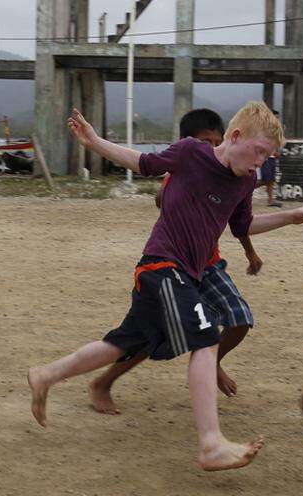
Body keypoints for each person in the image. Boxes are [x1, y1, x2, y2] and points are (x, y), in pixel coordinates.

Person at [27, 102, 303, 472]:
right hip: (160, 266)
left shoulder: (246, 180)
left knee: (120, 344)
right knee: (205, 337)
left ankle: (46, 374)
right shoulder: (190, 153)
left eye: (268, 156)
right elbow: (142, 161)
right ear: (235, 137)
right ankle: (211, 444)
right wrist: (94, 142)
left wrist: (290, 217)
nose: (261, 163)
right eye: (259, 152)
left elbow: (243, 226)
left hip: (189, 274)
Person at [88, 108, 263, 416]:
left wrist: (250, 250)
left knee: (239, 317)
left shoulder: (236, 175)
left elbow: (238, 220)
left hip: (208, 264)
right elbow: (158, 192)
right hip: (173, 265)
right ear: (186, 144)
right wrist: (176, 177)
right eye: (201, 143)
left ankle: (212, 363)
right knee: (151, 333)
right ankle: (103, 382)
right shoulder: (185, 164)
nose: (208, 149)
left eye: (212, 142)